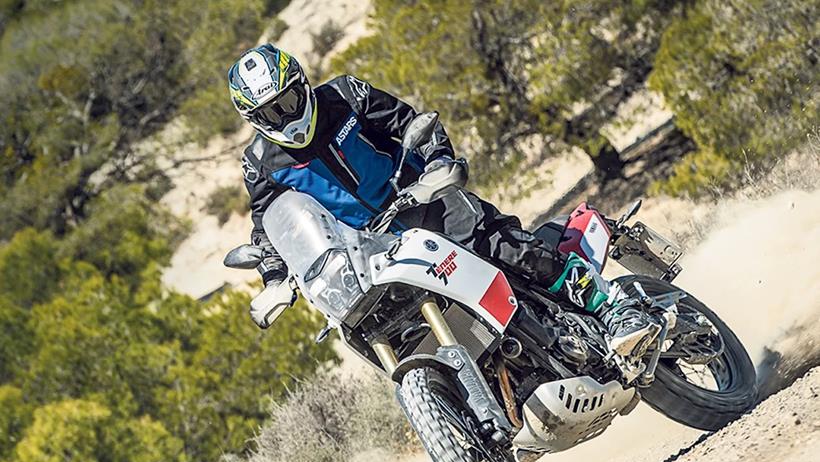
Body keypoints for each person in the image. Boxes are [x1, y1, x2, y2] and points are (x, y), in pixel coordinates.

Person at [228, 44, 659, 358]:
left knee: (498, 245)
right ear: (253, 119)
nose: (284, 116)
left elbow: (412, 122)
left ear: (301, 84)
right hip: (372, 248)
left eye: (286, 101)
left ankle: (615, 307)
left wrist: (436, 162)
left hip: (421, 199)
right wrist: (274, 275)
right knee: (391, 325)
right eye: (269, 113)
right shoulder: (260, 161)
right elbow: (269, 220)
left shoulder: (344, 95)